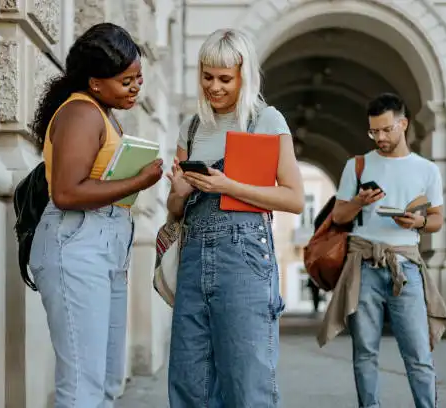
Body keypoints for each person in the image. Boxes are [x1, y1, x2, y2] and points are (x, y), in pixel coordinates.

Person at [165, 28, 305, 407]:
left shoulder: (265, 121)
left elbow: (294, 198)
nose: (214, 87)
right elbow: (175, 211)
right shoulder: (191, 127)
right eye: (207, 76)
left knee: (247, 382)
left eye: (225, 78)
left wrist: (228, 186)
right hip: (193, 255)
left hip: (244, 256)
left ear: (245, 76)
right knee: (189, 382)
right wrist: (178, 195)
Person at [28, 23, 163, 408]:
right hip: (77, 243)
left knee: (104, 382)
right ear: (95, 82)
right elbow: (67, 192)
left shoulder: (101, 112)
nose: (136, 88)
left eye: (138, 78)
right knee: (82, 385)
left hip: (103, 244)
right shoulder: (82, 114)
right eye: (126, 81)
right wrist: (138, 181)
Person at [319, 93, 446, 408]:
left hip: (405, 265)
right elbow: (338, 217)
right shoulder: (358, 166)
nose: (380, 137)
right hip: (363, 264)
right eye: (374, 131)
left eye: (386, 129)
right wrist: (358, 202)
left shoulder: (427, 169)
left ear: (403, 124)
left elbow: (437, 221)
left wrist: (418, 222)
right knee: (364, 350)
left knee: (418, 350)